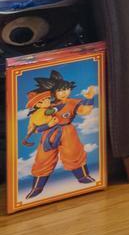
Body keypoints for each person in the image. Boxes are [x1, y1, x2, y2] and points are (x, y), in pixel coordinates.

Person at [22, 67, 96, 199]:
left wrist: (90, 99)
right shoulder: (44, 106)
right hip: (49, 134)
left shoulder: (72, 102)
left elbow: (85, 111)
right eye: (60, 90)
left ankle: (83, 177)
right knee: (43, 159)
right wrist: (47, 125)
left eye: (66, 89)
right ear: (51, 92)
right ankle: (37, 188)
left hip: (67, 130)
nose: (64, 93)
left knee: (74, 153)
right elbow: (37, 127)